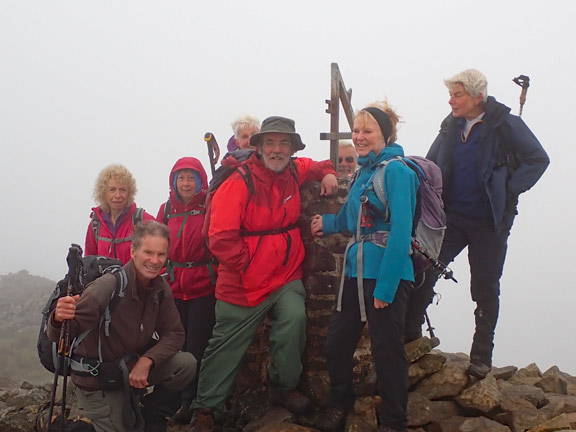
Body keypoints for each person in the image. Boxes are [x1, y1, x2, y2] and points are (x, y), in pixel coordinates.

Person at [189, 116, 338, 432]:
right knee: (226, 343)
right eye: (270, 142)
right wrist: (248, 266)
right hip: (241, 280)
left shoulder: (293, 171)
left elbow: (318, 164)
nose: (277, 149)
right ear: (257, 147)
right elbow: (220, 237)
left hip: (285, 275)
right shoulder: (238, 181)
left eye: (284, 143)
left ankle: (282, 386)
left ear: (292, 149)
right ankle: (206, 408)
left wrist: (327, 172)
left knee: (294, 321)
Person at [404, 69, 550, 379]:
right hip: (452, 218)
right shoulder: (450, 126)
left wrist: (510, 188)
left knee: (484, 289)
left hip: (490, 222)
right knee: (423, 270)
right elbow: (431, 165)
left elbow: (539, 158)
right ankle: (411, 339)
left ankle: (481, 358)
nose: (451, 100)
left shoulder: (505, 124)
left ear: (477, 97)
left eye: (457, 95)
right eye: (451, 94)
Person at [311, 102, 418, 432]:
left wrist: (386, 288)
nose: (359, 136)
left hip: (386, 275)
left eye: (367, 131)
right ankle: (340, 404)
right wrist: (326, 223)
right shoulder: (363, 172)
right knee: (336, 343)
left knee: (387, 351)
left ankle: (394, 421)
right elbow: (349, 219)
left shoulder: (399, 172)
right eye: (356, 130)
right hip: (354, 273)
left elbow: (401, 233)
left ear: (385, 134)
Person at [48, 221, 197, 432]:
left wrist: (147, 361)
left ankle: (153, 414)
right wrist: (58, 318)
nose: (155, 261)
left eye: (161, 255)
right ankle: (61, 424)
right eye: (148, 252)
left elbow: (174, 333)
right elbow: (65, 333)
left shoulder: (160, 289)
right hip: (98, 380)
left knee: (186, 364)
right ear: (133, 251)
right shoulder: (108, 286)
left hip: (129, 368)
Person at [157, 157, 216, 424]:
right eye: (181, 178)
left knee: (196, 346)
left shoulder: (209, 205)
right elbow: (156, 242)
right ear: (173, 181)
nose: (186, 183)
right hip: (173, 287)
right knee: (174, 345)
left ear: (201, 181)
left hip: (203, 286)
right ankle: (175, 400)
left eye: (191, 178)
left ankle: (192, 403)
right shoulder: (166, 209)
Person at [85, 164, 155, 264]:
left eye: (122, 190)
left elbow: (158, 256)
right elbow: (89, 262)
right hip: (104, 279)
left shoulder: (143, 220)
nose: (118, 195)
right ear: (103, 192)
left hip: (134, 280)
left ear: (129, 193)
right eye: (112, 190)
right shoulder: (96, 224)